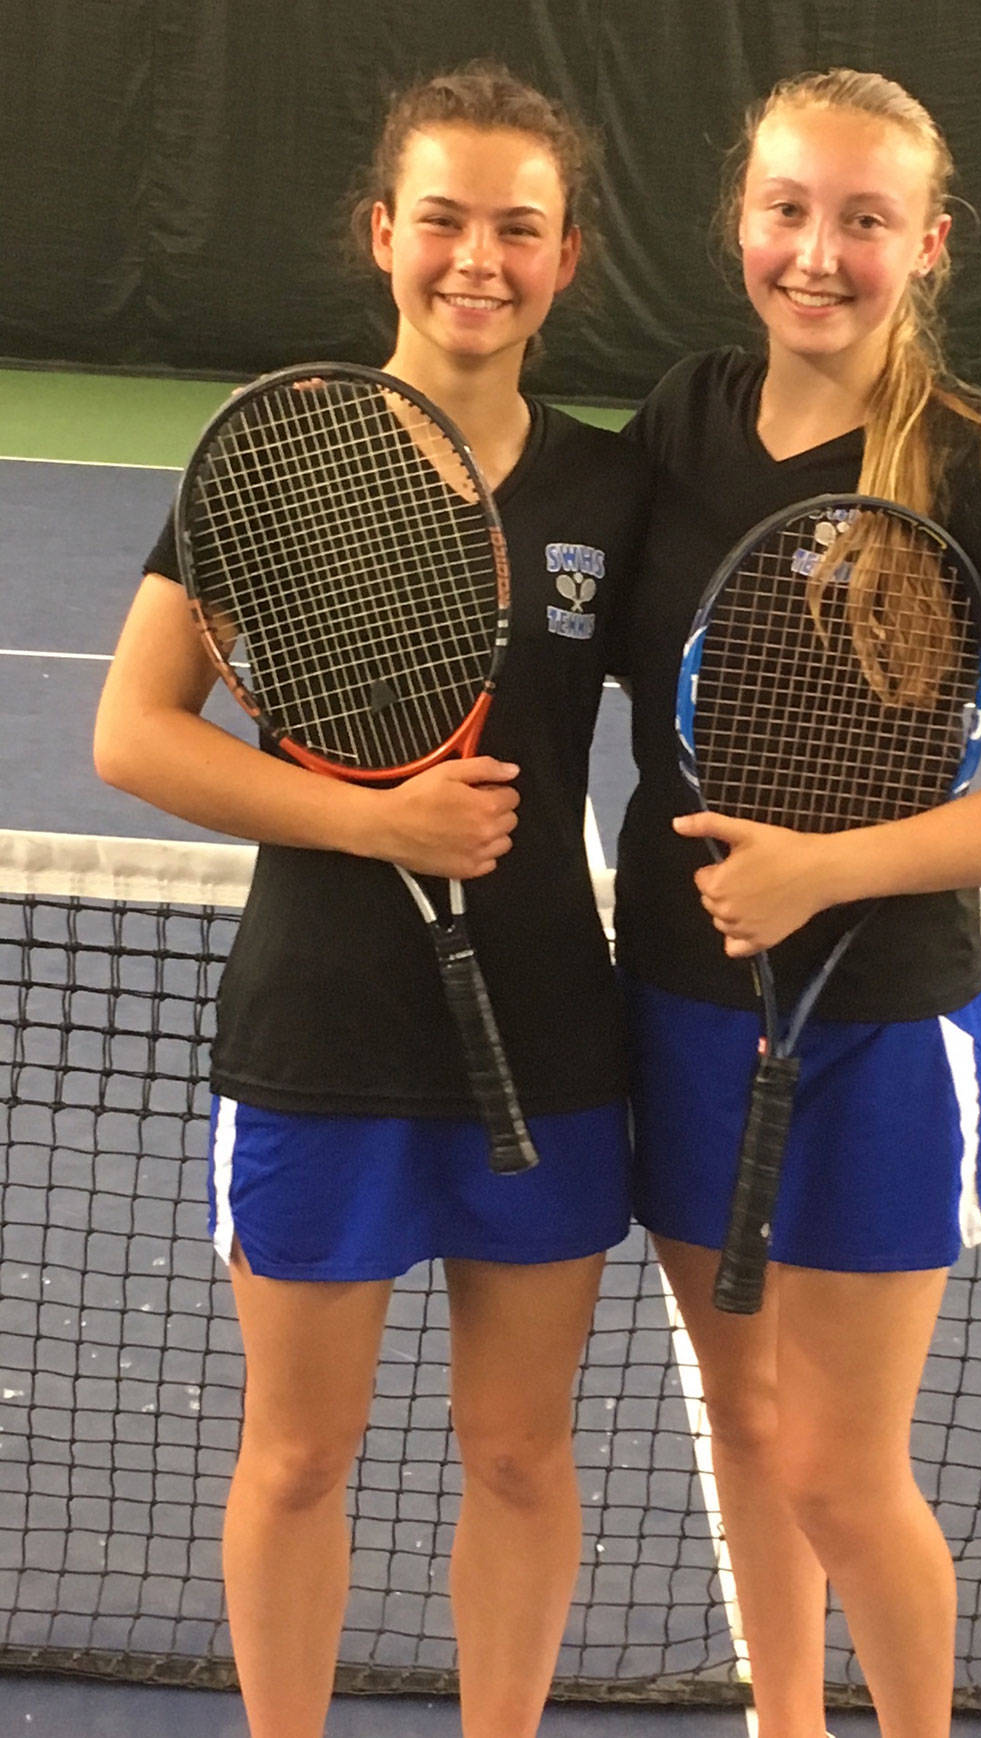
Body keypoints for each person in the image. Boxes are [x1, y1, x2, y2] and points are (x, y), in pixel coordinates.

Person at [94, 63, 648, 1738]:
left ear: (570, 259)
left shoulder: (608, 492)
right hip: (319, 1026)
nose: (477, 258)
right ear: (380, 234)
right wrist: (374, 818)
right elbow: (134, 733)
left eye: (519, 228)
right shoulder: (280, 460)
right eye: (443, 220)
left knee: (518, 1450)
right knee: (299, 1452)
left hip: (550, 1031)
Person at [614, 68, 981, 1738]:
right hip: (684, 1006)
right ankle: (786, 1721)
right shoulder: (683, 418)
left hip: (882, 1024)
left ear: (930, 243)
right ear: (739, 220)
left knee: (842, 1461)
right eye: (786, 209)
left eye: (861, 219)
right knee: (744, 1419)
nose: (816, 253)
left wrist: (820, 870)